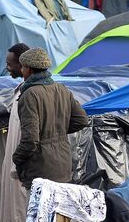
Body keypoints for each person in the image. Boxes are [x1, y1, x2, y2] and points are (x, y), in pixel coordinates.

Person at [12, 48, 90, 188]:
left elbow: (30, 140)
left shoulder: (30, 94)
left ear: (29, 69)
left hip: (41, 170)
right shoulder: (62, 89)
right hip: (63, 166)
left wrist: (16, 158)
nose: (22, 71)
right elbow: (82, 120)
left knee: (39, 210)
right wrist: (58, 130)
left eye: (23, 67)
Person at [0, 42, 30, 222]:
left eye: (10, 64)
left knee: (23, 207)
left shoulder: (32, 93)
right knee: (17, 205)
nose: (7, 68)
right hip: (15, 157)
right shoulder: (21, 90)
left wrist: (19, 159)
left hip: (23, 160)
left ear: (23, 65)